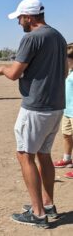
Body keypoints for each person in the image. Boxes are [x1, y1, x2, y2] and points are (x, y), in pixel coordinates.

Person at [0, 0, 67, 228]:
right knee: (43, 155)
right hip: (56, 106)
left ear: (29, 17)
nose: (18, 22)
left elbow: (15, 72)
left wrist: (3, 69)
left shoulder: (31, 37)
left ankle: (38, 214)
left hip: (36, 107)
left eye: (19, 18)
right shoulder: (58, 36)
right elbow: (65, 70)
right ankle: (47, 204)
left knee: (25, 155)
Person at [53, 43, 73, 178]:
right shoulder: (69, 71)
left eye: (66, 58)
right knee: (66, 135)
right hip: (67, 110)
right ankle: (67, 159)